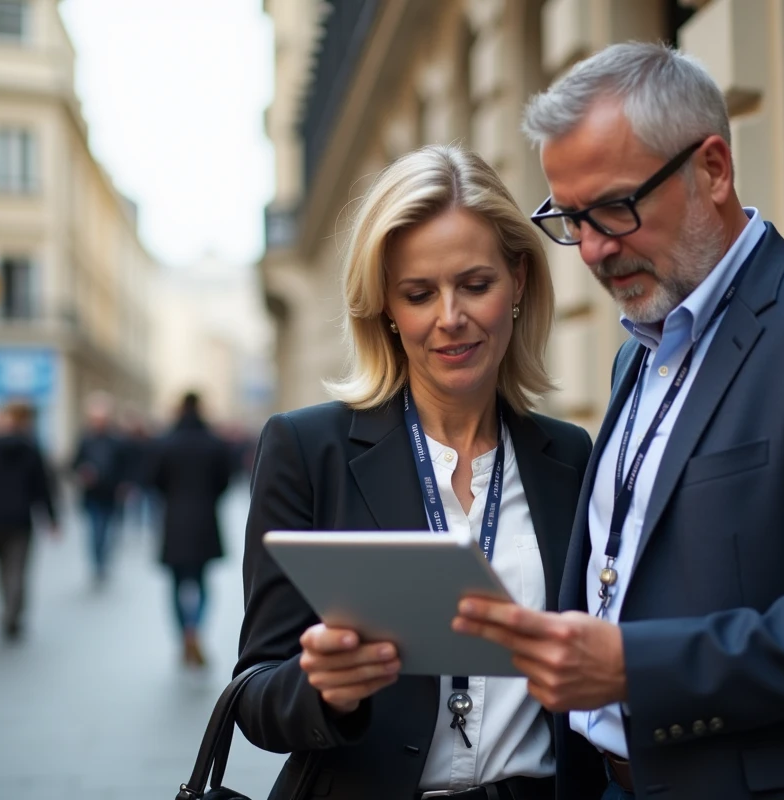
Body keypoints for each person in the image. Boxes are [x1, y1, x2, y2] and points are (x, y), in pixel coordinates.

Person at [451, 42, 784, 800]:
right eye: (572, 218)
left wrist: (632, 666)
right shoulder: (634, 357)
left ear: (712, 168)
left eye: (615, 208)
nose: (592, 248)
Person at [233, 144, 592, 800]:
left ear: (517, 282)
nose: (449, 317)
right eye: (419, 294)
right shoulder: (306, 450)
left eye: (475, 284)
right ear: (387, 311)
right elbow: (255, 697)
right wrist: (324, 687)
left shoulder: (571, 458)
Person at [150, 392, 231, 668]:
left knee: (176, 583)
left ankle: (184, 633)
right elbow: (225, 480)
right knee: (202, 581)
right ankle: (196, 629)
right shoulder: (213, 443)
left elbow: (154, 480)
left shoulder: (166, 442)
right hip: (205, 520)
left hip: (174, 520)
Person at [0, 402, 58, 641]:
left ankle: (7, 609)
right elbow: (43, 486)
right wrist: (52, 517)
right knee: (17, 569)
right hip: (20, 517)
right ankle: (13, 613)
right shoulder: (30, 448)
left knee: (0, 568)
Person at [71, 392, 126, 585]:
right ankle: (97, 563)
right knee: (95, 531)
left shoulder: (116, 440)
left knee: (108, 531)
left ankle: (103, 561)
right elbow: (74, 463)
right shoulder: (85, 439)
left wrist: (123, 485)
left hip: (110, 494)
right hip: (92, 494)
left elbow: (124, 465)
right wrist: (82, 472)